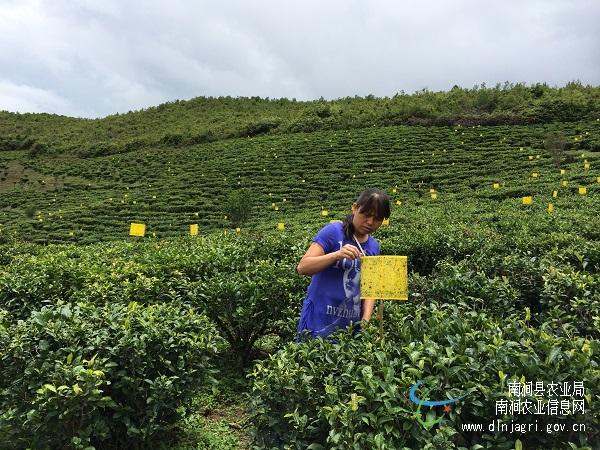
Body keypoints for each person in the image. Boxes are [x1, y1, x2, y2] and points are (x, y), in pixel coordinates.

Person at [296, 188, 391, 339]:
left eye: (377, 219)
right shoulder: (333, 232)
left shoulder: (374, 247)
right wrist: (336, 255)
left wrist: (365, 320)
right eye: (366, 215)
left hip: (349, 326)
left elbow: (371, 289)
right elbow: (303, 267)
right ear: (355, 208)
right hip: (318, 320)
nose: (370, 222)